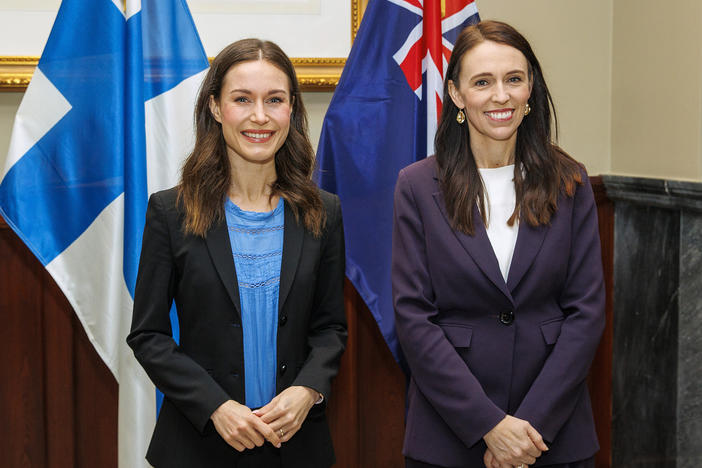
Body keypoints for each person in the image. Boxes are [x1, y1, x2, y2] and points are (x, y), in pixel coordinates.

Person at [392, 20, 605, 468]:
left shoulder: (571, 181)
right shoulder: (416, 186)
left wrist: (529, 428)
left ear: (531, 89)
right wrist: (489, 426)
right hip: (451, 438)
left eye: (514, 79)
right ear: (456, 95)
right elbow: (414, 318)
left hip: (553, 437)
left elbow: (586, 313)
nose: (501, 96)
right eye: (482, 82)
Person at [127, 38, 347, 468]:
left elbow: (330, 329)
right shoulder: (170, 212)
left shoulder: (324, 212)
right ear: (214, 107)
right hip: (198, 444)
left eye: (275, 100)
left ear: (291, 109)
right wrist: (215, 406)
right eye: (242, 99)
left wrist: (309, 390)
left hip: (297, 446)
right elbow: (148, 336)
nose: (259, 116)